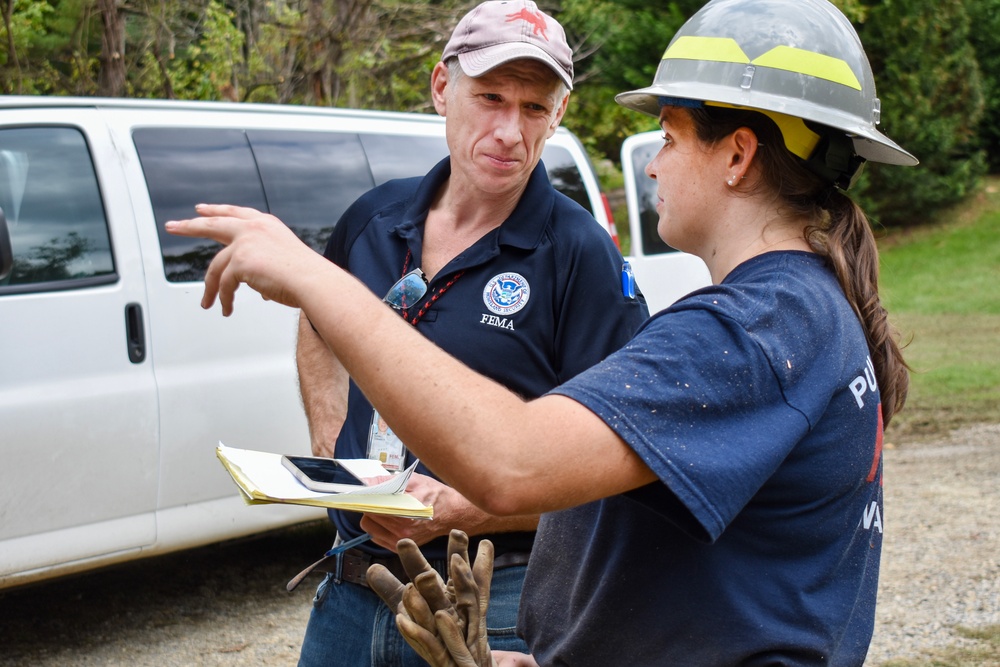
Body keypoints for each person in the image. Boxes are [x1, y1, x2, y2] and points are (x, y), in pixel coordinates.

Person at [166, 0, 918, 663]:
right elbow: (704, 578)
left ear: (738, 155)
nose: (654, 166)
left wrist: (313, 276)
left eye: (670, 136)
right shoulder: (796, 309)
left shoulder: (750, 329)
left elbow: (514, 465)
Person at [289, 1, 649, 665]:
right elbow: (317, 320)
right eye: (489, 97)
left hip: (492, 596)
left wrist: (470, 508)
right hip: (347, 588)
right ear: (440, 89)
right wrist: (328, 436)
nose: (510, 129)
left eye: (534, 107)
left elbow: (628, 462)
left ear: (559, 114)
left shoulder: (580, 256)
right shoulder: (372, 219)